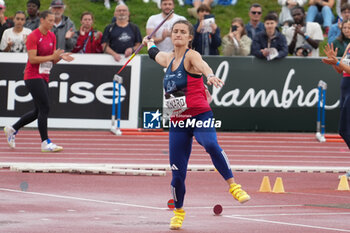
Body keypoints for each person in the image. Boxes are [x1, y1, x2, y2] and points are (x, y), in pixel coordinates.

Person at [142, 19, 250, 230]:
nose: (179, 35)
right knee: (177, 176)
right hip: (178, 121)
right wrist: (148, 43)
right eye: (176, 32)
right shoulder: (168, 59)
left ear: (190, 37)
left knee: (210, 144)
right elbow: (154, 53)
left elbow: (203, 65)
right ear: (171, 36)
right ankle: (179, 211)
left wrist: (209, 75)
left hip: (200, 115)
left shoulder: (191, 56)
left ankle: (233, 185)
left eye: (183, 32)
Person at [3, 10, 74, 152]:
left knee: (38, 111)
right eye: (50, 20)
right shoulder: (33, 36)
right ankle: (45, 142)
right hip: (32, 76)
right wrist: (52, 57)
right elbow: (33, 59)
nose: (53, 23)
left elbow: (51, 60)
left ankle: (12, 128)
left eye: (54, 20)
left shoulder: (52, 36)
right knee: (45, 107)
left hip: (44, 75)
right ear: (42, 20)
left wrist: (60, 57)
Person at [322, 43, 350, 179]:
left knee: (347, 130)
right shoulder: (349, 45)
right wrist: (334, 61)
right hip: (345, 89)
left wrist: (337, 61)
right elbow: (340, 69)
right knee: (343, 130)